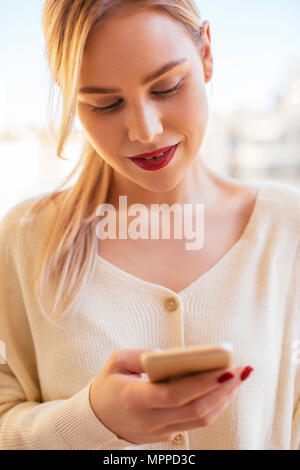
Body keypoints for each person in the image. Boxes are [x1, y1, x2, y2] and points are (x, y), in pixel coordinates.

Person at [0, 0, 299, 450]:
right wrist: (92, 421)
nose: (145, 129)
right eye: (105, 104)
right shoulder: (25, 240)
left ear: (207, 55)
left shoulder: (285, 227)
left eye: (167, 87)